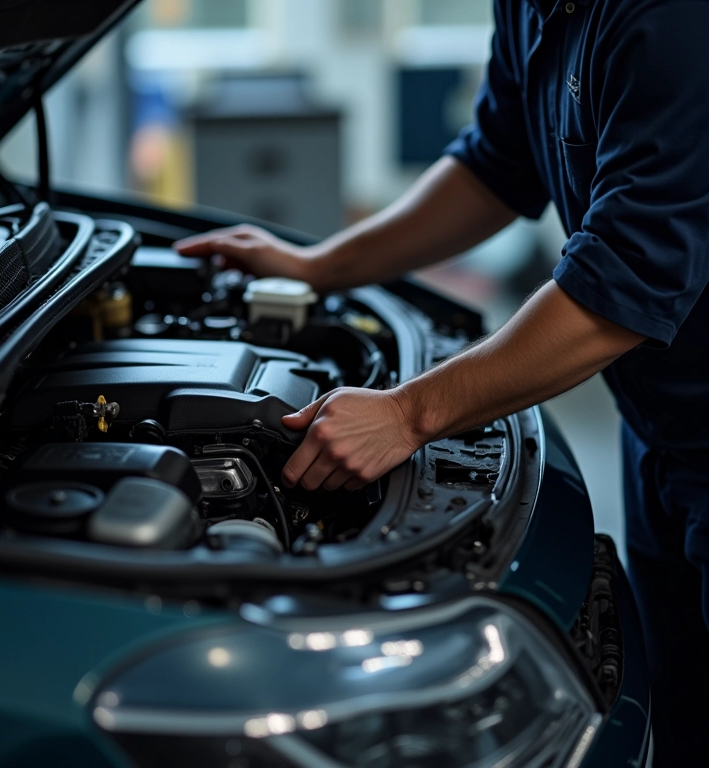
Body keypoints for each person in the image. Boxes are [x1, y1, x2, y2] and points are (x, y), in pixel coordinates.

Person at [175, 1, 709, 764]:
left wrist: (408, 413)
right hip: (661, 422)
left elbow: (620, 287)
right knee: (685, 713)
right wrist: (321, 266)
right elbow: (496, 163)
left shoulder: (677, 23)